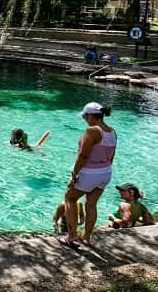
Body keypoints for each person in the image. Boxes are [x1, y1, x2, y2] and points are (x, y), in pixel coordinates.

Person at [58, 102, 116, 248]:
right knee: (91, 204)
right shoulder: (112, 131)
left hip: (89, 173)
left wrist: (74, 175)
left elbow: (83, 156)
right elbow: (112, 156)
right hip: (105, 172)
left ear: (91, 116)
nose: (84, 119)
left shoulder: (92, 131)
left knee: (69, 198)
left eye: (85, 116)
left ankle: (72, 235)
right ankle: (87, 237)